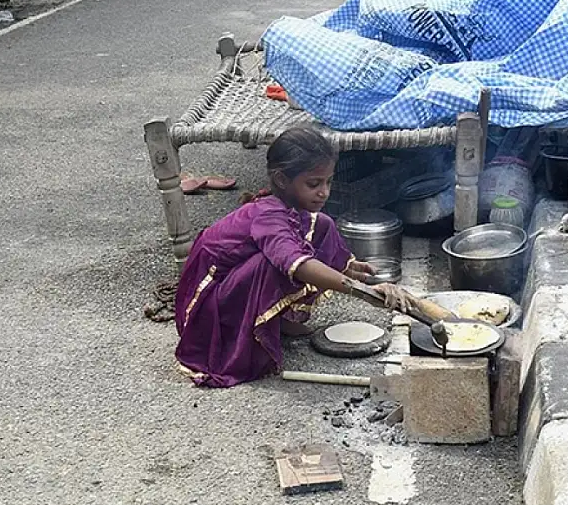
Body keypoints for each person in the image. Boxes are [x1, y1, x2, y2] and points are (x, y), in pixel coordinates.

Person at [174, 126, 417, 387]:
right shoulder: (269, 216)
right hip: (209, 304)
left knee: (320, 224)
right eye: (313, 184)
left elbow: (311, 238)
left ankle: (278, 320)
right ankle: (244, 334)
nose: (324, 192)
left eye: (328, 182)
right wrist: (359, 291)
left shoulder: (288, 207)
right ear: (281, 180)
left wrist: (347, 269)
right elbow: (297, 264)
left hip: (231, 284)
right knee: (273, 266)